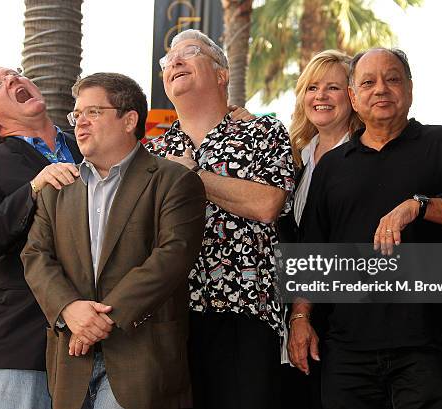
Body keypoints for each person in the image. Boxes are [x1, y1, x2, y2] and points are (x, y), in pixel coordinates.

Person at [298, 48, 442, 408]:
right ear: (353, 96)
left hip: (425, 346)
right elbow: (312, 249)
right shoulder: (332, 166)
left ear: (409, 89)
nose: (381, 89)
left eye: (392, 79)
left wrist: (418, 206)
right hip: (346, 351)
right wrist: (301, 317)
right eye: (368, 82)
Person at [22, 72, 206, 409]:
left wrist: (99, 320)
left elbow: (172, 257)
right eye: (77, 115)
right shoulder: (57, 189)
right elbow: (35, 256)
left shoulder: (174, 181)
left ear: (129, 119)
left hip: (142, 358)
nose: (80, 123)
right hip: (70, 363)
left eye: (93, 112)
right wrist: (69, 309)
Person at [146, 29, 295, 409]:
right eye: (168, 60)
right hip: (169, 319)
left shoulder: (263, 131)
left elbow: (267, 204)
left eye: (189, 52)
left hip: (246, 313)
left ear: (221, 74)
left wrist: (190, 176)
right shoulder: (150, 153)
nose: (174, 61)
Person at [0, 68, 82, 409]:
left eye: (16, 74)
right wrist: (33, 189)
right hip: (21, 345)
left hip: (98, 343)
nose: (13, 80)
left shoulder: (89, 145)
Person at [281, 50, 362, 408]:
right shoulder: (293, 157)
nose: (321, 96)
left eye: (333, 87)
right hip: (293, 311)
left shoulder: (368, 156)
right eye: (312, 87)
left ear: (353, 95)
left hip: (347, 316)